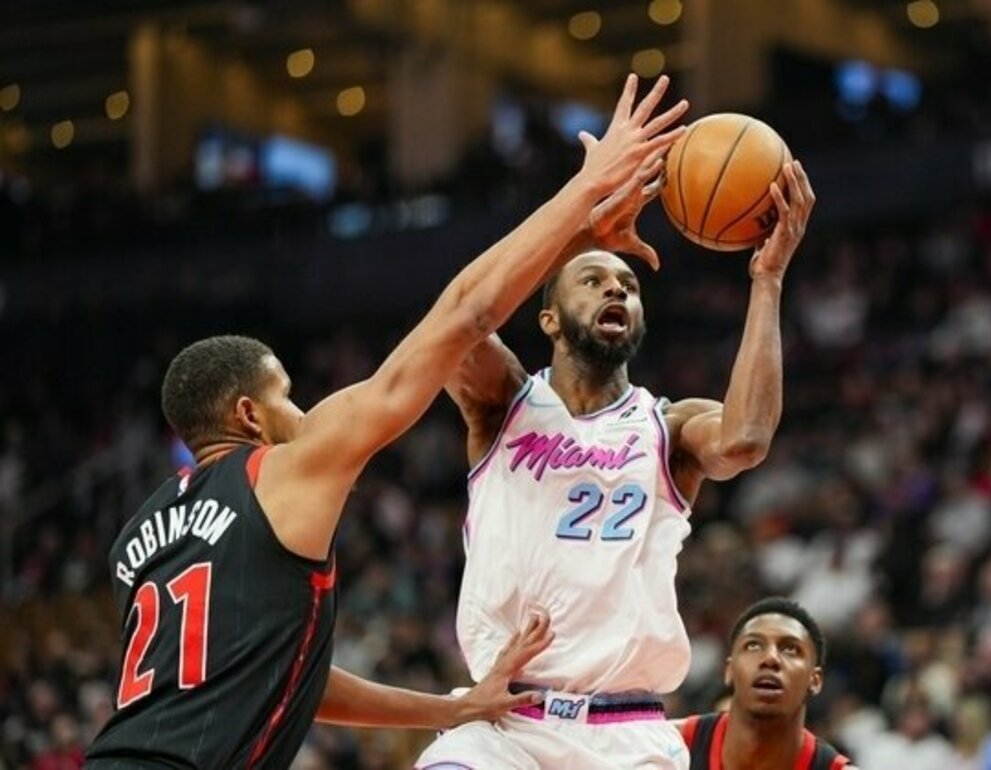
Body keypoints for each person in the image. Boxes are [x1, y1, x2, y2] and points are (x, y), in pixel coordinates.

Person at [85, 72, 689, 769]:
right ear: (249, 414)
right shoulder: (283, 471)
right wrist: (583, 200)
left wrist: (453, 709)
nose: (304, 412)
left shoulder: (137, 540)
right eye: (288, 397)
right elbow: (463, 318)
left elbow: (289, 677)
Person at [415, 149, 816, 769]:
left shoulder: (670, 426)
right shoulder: (503, 403)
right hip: (501, 723)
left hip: (625, 735)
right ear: (548, 317)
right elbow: (454, 318)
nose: (616, 289)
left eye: (628, 286)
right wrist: (579, 229)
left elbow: (746, 440)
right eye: (594, 279)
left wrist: (767, 281)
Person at [677, 598, 856, 770]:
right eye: (753, 645)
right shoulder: (665, 747)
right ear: (729, 670)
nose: (770, 658)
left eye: (790, 649)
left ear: (815, 680)